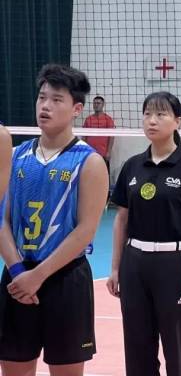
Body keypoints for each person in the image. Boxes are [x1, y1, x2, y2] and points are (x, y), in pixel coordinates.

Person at [0, 64, 108, 375]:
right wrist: (19, 271)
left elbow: (86, 230)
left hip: (65, 280)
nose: (45, 105)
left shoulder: (89, 162)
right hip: (18, 276)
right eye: (42, 97)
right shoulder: (15, 156)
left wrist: (38, 276)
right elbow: (3, 220)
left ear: (76, 109)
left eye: (56, 99)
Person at [107, 92, 181, 375]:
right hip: (135, 264)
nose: (152, 120)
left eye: (161, 114)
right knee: (137, 348)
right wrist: (115, 268)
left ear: (177, 122)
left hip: (174, 264)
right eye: (148, 114)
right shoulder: (132, 166)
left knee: (176, 349)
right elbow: (121, 219)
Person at [82, 95, 116, 172]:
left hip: (103, 153)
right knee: (89, 173)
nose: (96, 105)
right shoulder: (88, 119)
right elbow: (84, 136)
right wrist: (83, 150)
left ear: (103, 105)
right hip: (89, 153)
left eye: (98, 103)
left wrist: (108, 152)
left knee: (103, 173)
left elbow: (111, 137)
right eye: (95, 103)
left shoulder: (108, 119)